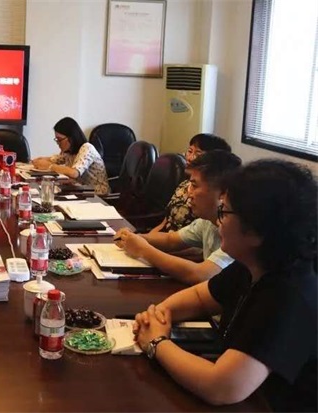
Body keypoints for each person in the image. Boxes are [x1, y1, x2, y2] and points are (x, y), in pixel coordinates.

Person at [133, 159, 317, 411]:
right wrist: (160, 314)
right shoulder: (252, 264)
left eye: (224, 212)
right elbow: (201, 297)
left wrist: (156, 342)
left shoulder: (289, 295)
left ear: (256, 231)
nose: (218, 221)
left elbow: (221, 387)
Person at [114, 151, 241, 285]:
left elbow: (200, 274)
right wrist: (134, 238)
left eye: (194, 186)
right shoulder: (207, 221)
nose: (188, 192)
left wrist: (143, 250)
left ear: (222, 193)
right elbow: (170, 240)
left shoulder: (238, 232)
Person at [151, 133, 232, 233]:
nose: (190, 157)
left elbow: (185, 240)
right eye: (189, 151)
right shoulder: (184, 184)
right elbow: (165, 222)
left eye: (198, 154)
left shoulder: (209, 206)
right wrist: (145, 237)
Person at [31, 117, 110, 195]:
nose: (58, 143)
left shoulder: (87, 148)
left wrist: (49, 166)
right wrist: (39, 161)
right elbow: (54, 159)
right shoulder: (69, 151)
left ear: (71, 138)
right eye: (56, 140)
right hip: (81, 190)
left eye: (59, 140)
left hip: (97, 194)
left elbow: (74, 173)